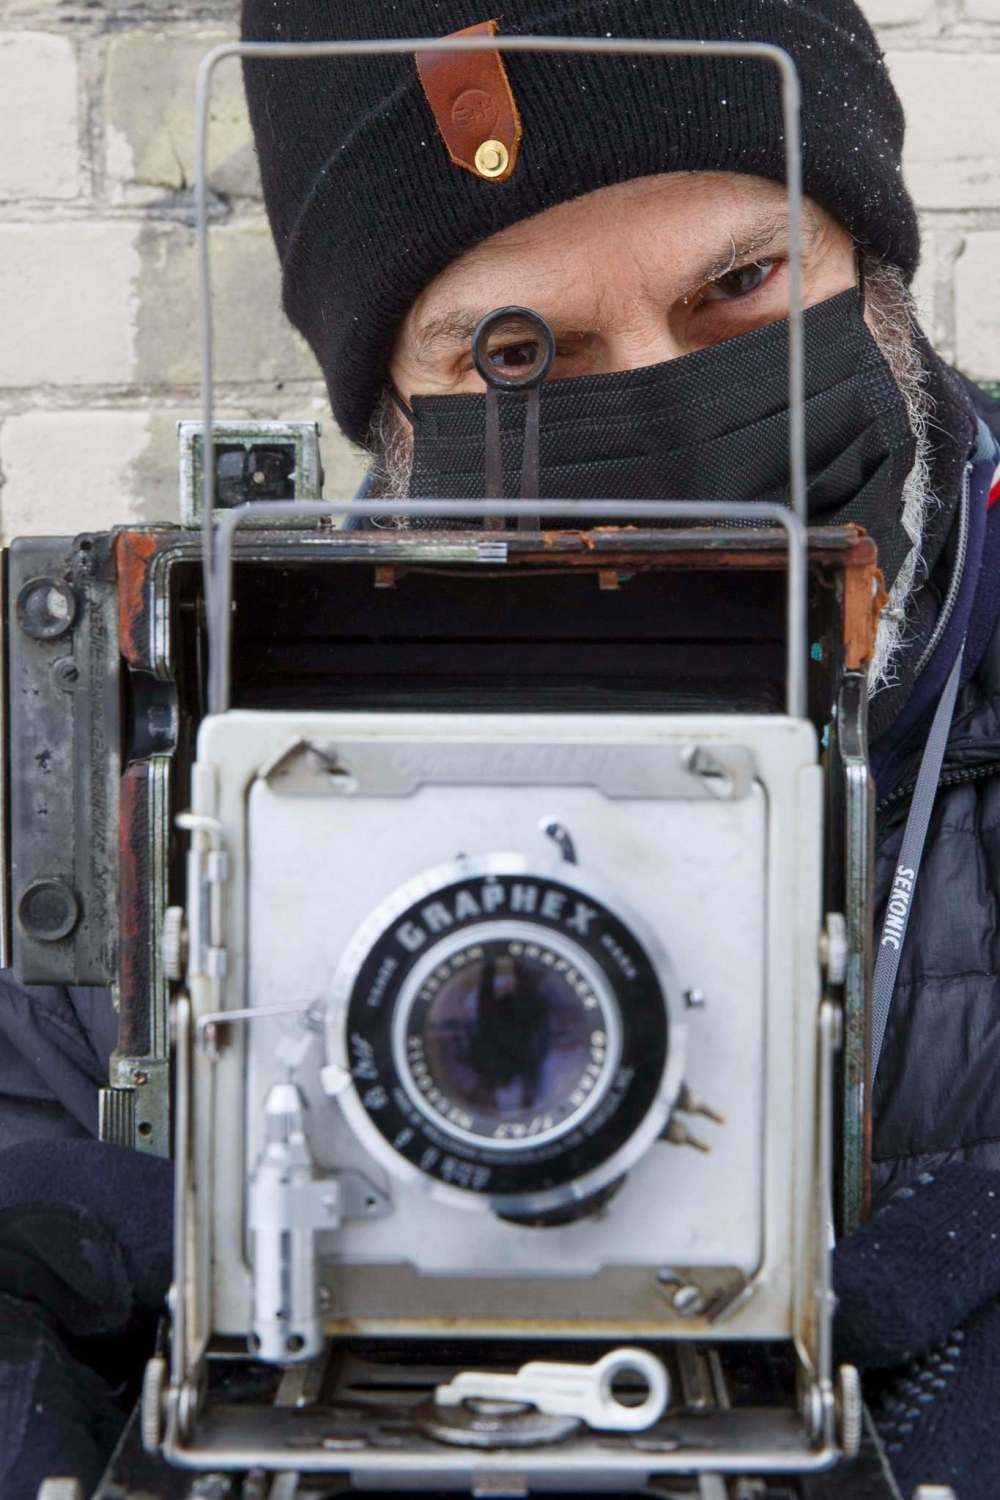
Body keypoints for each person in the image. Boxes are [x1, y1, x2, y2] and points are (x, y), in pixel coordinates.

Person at [1, 1, 999, 1495]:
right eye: (519, 353)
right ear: (391, 402)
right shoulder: (199, 740)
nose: (657, 402)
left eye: (741, 281)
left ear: (873, 262)